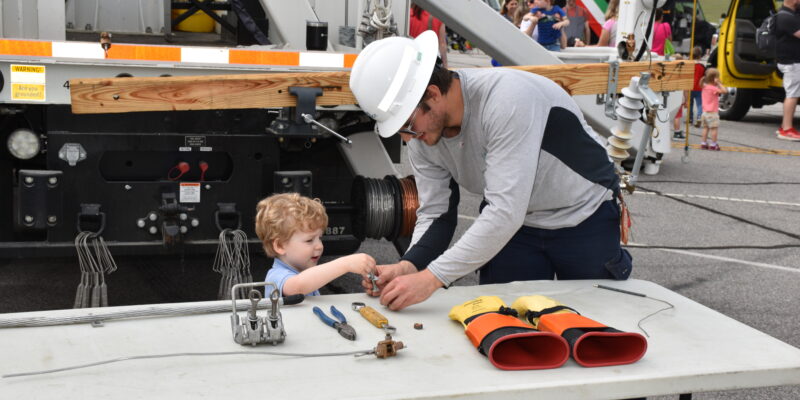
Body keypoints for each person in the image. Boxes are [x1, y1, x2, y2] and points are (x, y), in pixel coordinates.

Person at [348, 31, 632, 311]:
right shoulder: (423, 133)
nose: (408, 139)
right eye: (399, 131)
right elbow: (435, 211)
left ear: (433, 95)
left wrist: (431, 278)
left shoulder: (506, 99)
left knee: (597, 324)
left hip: (583, 214)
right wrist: (409, 265)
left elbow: (505, 212)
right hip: (517, 228)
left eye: (408, 125)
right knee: (506, 326)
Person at [255, 193, 376, 296]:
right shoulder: (276, 276)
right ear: (280, 246)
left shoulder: (304, 271)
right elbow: (298, 286)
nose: (319, 246)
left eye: (320, 238)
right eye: (309, 240)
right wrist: (345, 264)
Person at [775, 0, 800, 141]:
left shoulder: (788, 14)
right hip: (792, 62)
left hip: (790, 61)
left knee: (792, 94)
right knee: (792, 95)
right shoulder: (786, 18)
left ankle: (785, 126)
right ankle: (787, 130)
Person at [698, 68, 728, 151]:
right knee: (714, 129)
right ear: (715, 78)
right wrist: (718, 83)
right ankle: (713, 144)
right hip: (712, 113)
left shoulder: (705, 87)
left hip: (704, 113)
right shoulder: (713, 89)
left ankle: (703, 143)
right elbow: (725, 91)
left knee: (705, 128)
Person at [689, 46, 705, 128]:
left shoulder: (690, 64)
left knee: (690, 103)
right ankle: (699, 117)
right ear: (700, 55)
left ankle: (690, 118)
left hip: (690, 86)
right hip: (699, 87)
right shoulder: (702, 65)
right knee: (700, 104)